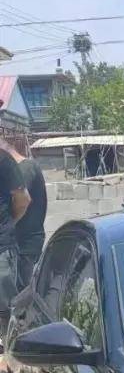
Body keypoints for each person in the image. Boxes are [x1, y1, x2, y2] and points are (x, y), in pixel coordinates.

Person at [7, 131, 46, 290]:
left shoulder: (25, 168)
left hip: (26, 245)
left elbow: (22, 201)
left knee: (23, 295)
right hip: (19, 245)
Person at [0, 133, 31, 322]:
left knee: (7, 311)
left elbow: (23, 200)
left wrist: (8, 224)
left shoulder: (3, 160)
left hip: (1, 248)